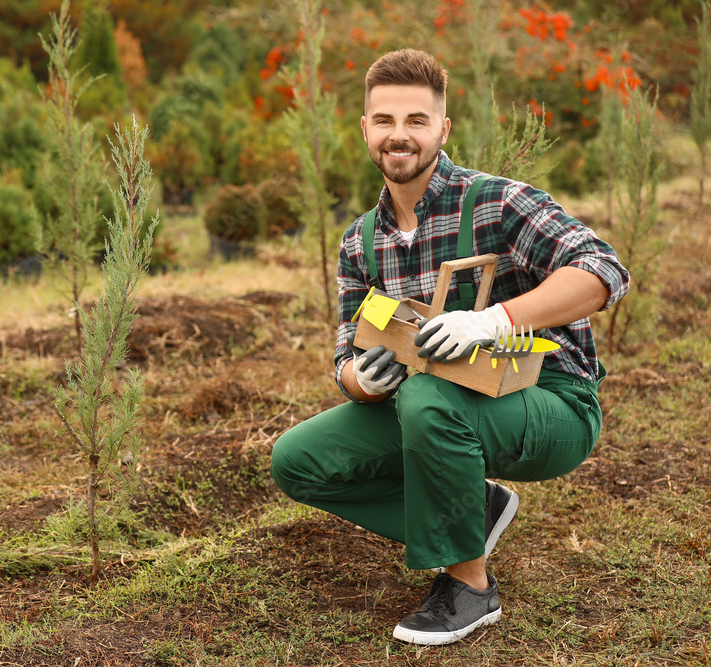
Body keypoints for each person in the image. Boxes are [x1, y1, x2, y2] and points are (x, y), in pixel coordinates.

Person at [270, 48, 630, 646]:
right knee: (300, 461)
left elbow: (603, 271)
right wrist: (363, 378)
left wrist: (493, 319)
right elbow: (345, 349)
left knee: (430, 398)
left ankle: (470, 587)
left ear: (443, 128)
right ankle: (475, 510)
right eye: (384, 121)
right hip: (434, 404)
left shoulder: (498, 202)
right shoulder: (361, 241)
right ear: (365, 129)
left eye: (416, 120)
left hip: (551, 403)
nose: (398, 136)